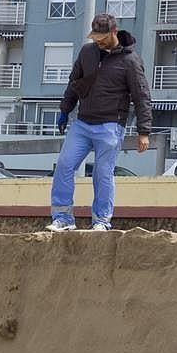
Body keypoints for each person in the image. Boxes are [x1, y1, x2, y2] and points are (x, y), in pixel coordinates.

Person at [47, 13, 152, 231]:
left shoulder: (130, 61)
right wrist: (65, 111)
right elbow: (74, 83)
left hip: (111, 125)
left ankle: (101, 221)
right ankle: (63, 219)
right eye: (95, 37)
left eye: (102, 37)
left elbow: (142, 96)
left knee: (102, 173)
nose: (98, 41)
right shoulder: (87, 52)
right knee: (64, 166)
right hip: (82, 124)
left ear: (114, 32)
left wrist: (144, 132)